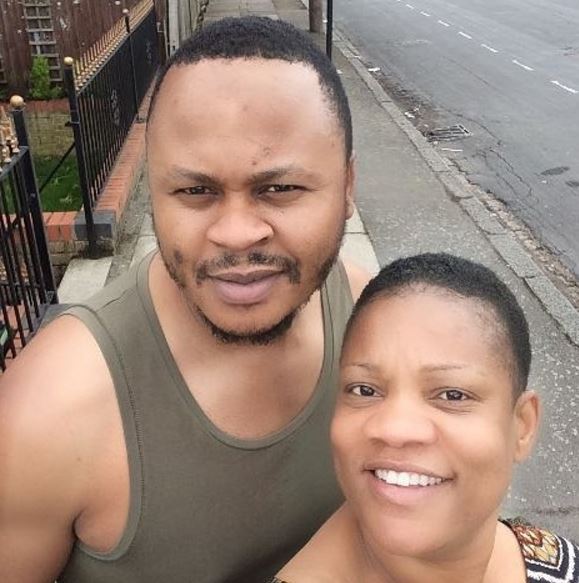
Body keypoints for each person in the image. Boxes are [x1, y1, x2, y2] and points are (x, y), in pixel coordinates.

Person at [0, 17, 370, 583]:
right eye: (196, 191)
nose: (237, 234)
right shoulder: (46, 413)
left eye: (280, 189)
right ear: (154, 194)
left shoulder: (371, 325)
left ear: (347, 189)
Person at [273, 253, 579, 583]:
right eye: (364, 390)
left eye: (452, 395)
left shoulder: (560, 562)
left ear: (523, 426)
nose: (395, 429)